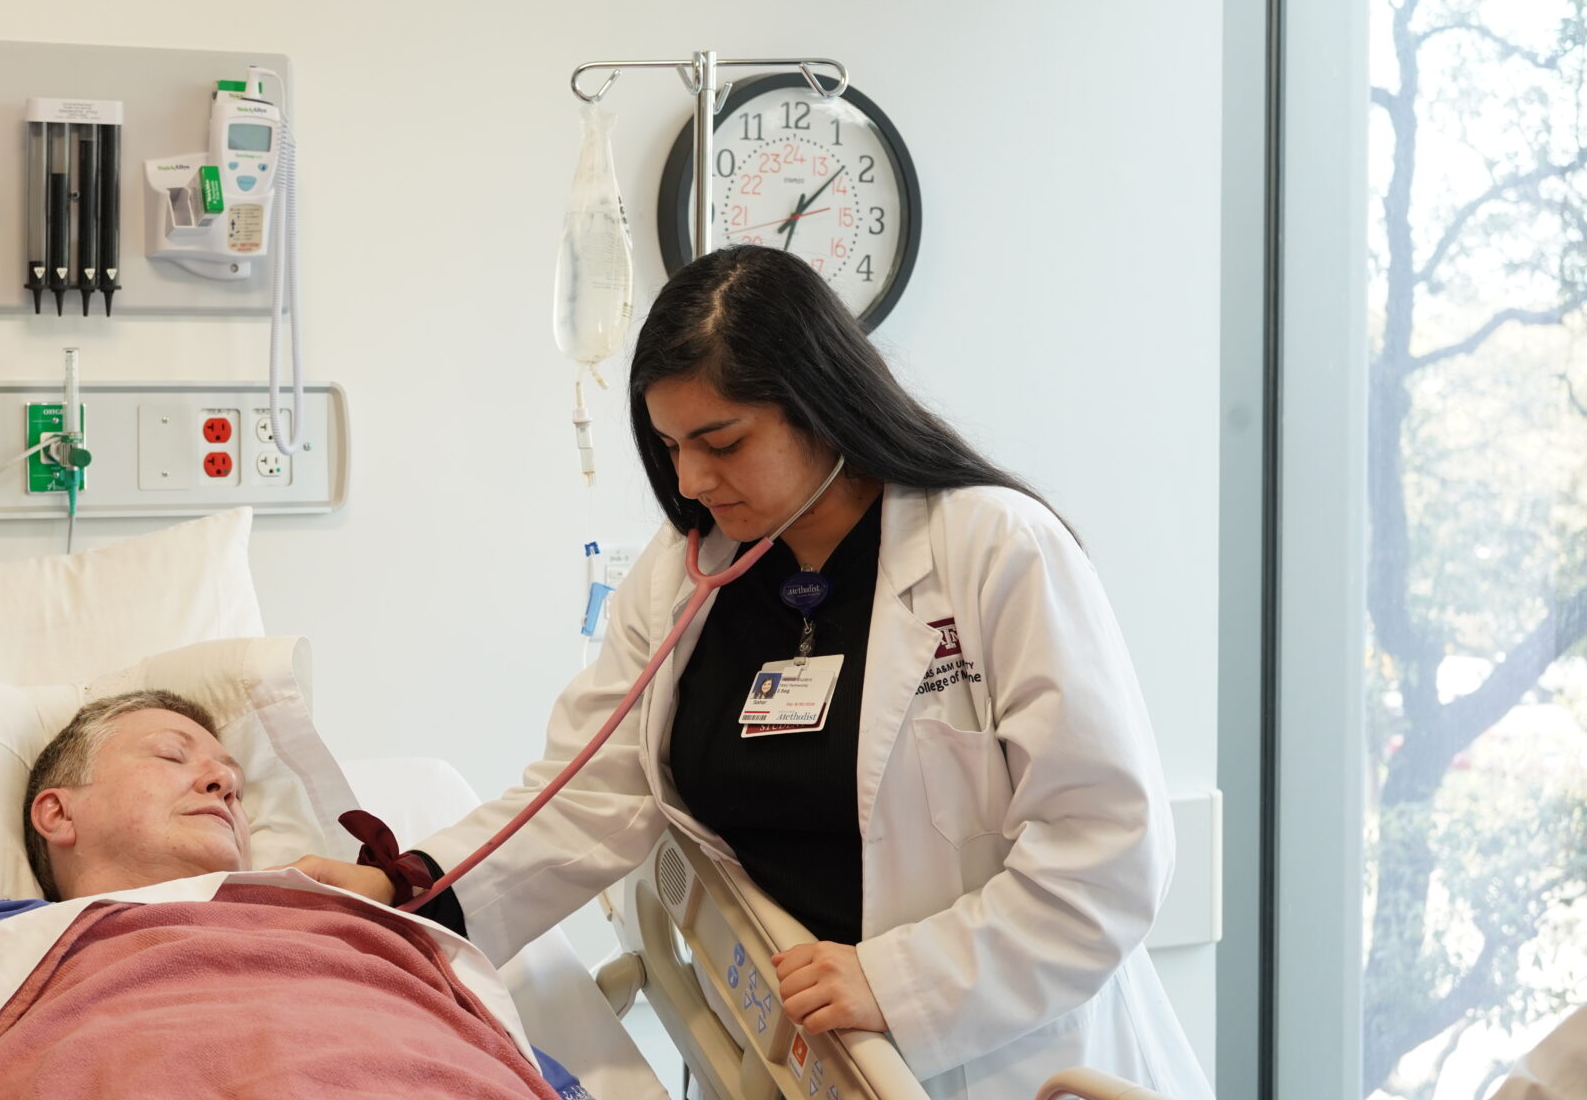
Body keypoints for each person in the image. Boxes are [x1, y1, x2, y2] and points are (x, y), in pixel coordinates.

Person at [298, 246, 1213, 1100]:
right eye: (669, 447)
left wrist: (895, 982)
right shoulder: (689, 574)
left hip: (1005, 1052)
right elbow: (590, 793)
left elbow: (1110, 850)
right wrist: (411, 889)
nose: (691, 478)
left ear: (822, 405)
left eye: (722, 442)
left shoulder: (994, 551)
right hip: (799, 1042)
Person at [0, 691, 578, 1100]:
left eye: (231, 777)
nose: (222, 778)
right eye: (171, 755)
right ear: (58, 812)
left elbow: (518, 1070)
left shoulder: (366, 929)